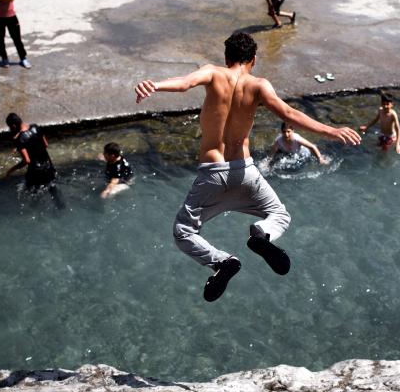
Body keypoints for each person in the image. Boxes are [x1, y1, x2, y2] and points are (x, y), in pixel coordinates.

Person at [134, 32, 360, 302]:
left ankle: (222, 262)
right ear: (253, 59)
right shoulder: (259, 85)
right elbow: (289, 113)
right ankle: (261, 234)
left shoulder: (213, 72)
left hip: (212, 173)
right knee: (279, 214)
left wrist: (154, 85)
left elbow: (184, 84)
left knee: (184, 232)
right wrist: (331, 131)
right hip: (245, 171)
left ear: (226, 57)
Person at [4, 113, 63, 207]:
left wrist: (11, 170)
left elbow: (27, 160)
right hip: (48, 166)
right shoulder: (36, 127)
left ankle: (35, 209)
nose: (10, 130)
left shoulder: (19, 139)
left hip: (36, 171)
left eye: (10, 127)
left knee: (32, 192)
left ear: (14, 126)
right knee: (52, 188)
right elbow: (45, 145)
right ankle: (60, 206)